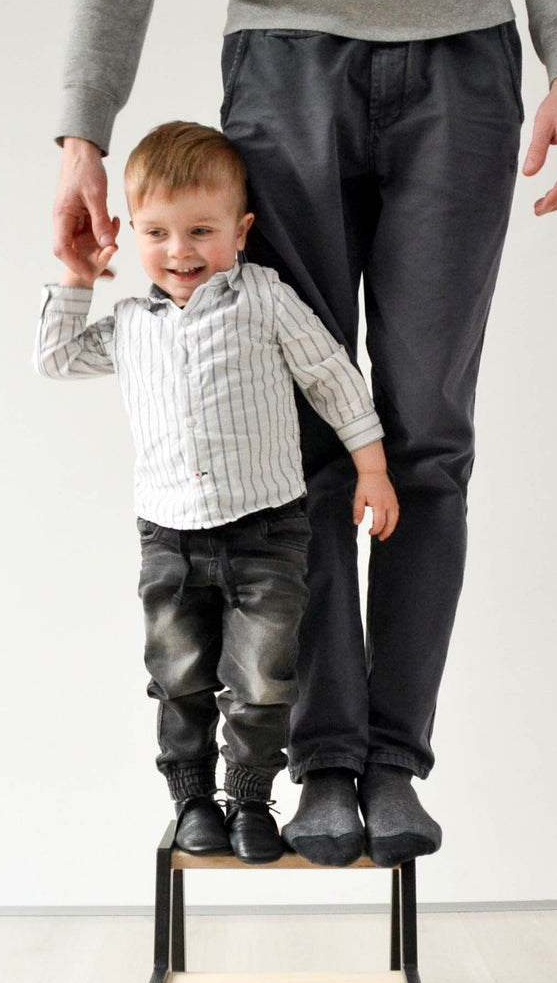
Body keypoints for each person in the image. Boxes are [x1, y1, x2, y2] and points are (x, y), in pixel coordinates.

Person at [52, 0, 557, 866]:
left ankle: (392, 761)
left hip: (460, 58)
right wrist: (83, 128)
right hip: (283, 57)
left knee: (426, 438)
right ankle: (321, 759)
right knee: (298, 436)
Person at [35, 121, 400, 864]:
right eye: (158, 232)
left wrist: (371, 465)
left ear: (241, 229)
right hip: (168, 535)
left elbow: (330, 376)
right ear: (131, 231)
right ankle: (193, 798)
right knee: (177, 677)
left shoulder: (263, 297)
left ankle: (252, 798)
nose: (181, 251)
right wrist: (76, 275)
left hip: (266, 529)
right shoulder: (131, 324)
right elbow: (56, 358)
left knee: (263, 677)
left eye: (201, 230)